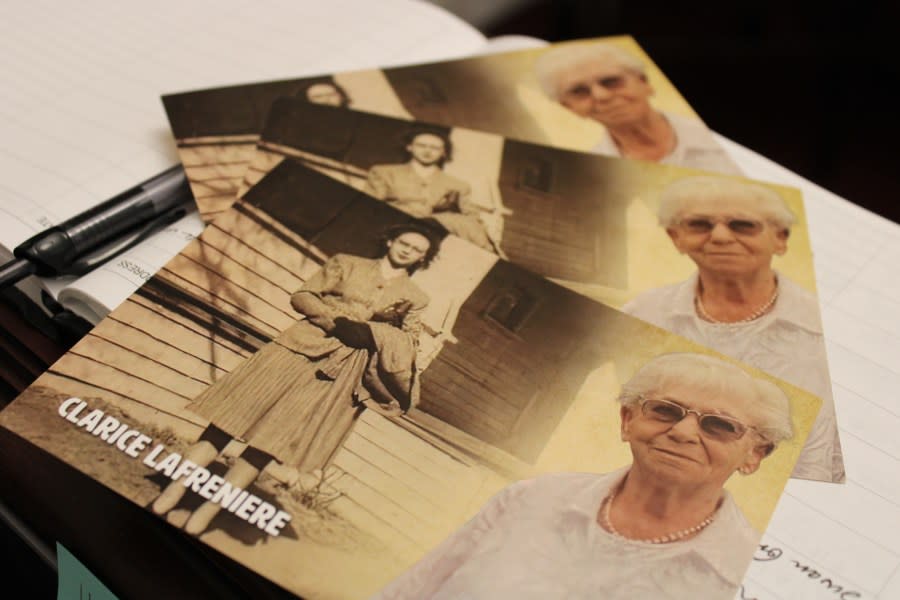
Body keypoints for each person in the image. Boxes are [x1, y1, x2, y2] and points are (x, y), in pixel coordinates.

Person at [371, 353, 792, 600]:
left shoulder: (751, 577)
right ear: (628, 420)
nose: (682, 432)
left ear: (754, 454)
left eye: (719, 425)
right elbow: (411, 591)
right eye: (665, 410)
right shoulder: (531, 500)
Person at [151, 222, 443, 535]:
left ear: (422, 259)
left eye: (417, 251)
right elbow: (303, 295)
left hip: (339, 370)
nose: (407, 251)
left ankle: (208, 511)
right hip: (296, 348)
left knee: (270, 442)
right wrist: (334, 322)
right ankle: (175, 490)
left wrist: (373, 333)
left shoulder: (416, 297)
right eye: (404, 243)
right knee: (228, 420)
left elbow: (410, 341)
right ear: (390, 240)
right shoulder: (347, 263)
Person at [623, 176, 841, 482]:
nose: (721, 237)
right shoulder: (643, 313)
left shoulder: (828, 328)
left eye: (742, 225)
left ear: (780, 238)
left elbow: (822, 460)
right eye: (700, 224)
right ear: (676, 237)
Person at [534, 43, 739, 174]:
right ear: (569, 107)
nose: (601, 96)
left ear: (644, 83)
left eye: (611, 81)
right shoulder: (596, 172)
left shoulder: (715, 134)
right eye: (579, 91)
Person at [364, 129, 497, 252]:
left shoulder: (458, 185)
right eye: (421, 145)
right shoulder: (384, 173)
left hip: (435, 235)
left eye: (435, 148)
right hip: (394, 228)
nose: (427, 151)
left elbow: (471, 216)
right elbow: (370, 207)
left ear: (443, 152)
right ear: (409, 147)